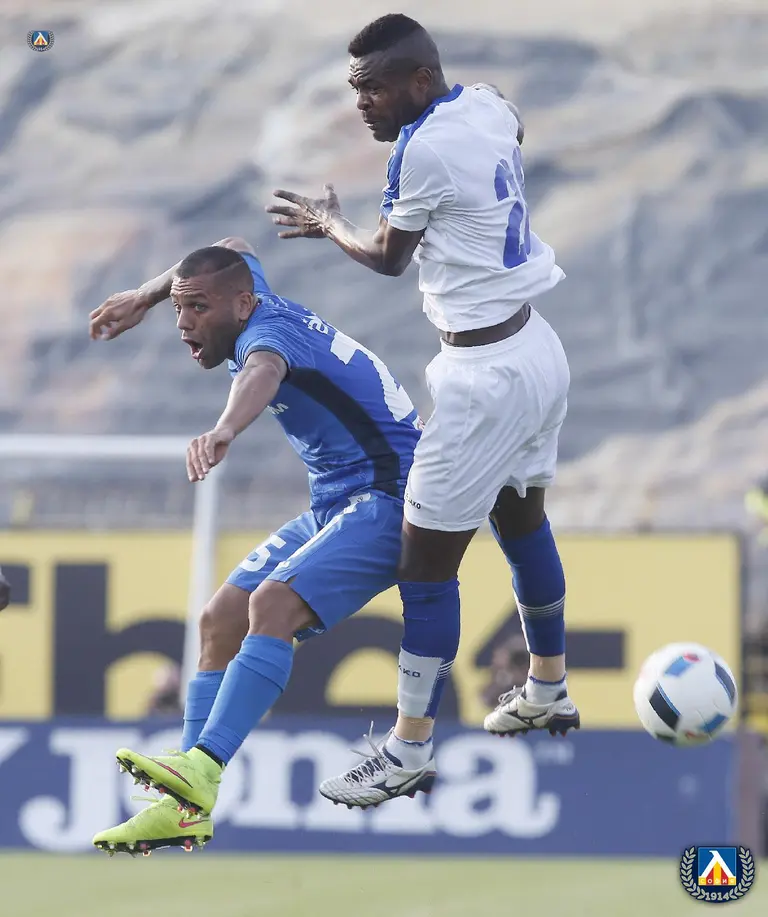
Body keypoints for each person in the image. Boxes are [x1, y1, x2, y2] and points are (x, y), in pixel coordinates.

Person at [266, 13, 580, 807]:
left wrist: (328, 222)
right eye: (356, 90)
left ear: (419, 80)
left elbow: (387, 256)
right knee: (521, 519)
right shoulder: (486, 103)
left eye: (373, 89)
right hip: (535, 344)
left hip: (485, 377)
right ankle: (547, 685)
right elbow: (513, 127)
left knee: (426, 565)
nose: (362, 105)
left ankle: (406, 750)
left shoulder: (423, 149)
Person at [88, 237, 425, 855]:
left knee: (270, 604)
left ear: (241, 306)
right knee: (219, 618)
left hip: (390, 497)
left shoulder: (265, 338)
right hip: (337, 500)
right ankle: (184, 805)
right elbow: (232, 246)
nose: (185, 323)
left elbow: (263, 371)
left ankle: (203, 766)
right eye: (180, 309)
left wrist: (224, 429)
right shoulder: (248, 291)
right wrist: (146, 294)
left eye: (198, 309)